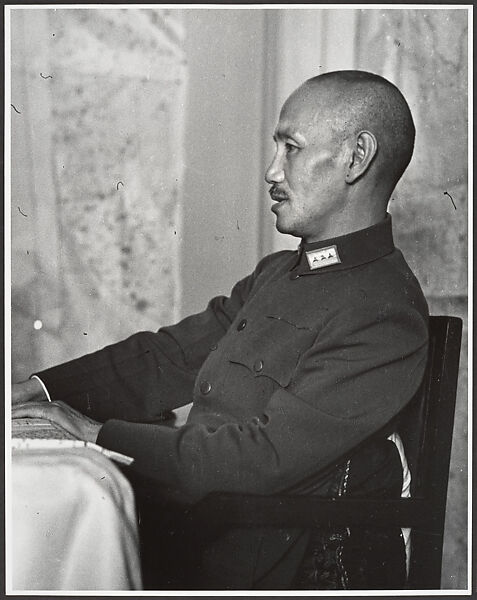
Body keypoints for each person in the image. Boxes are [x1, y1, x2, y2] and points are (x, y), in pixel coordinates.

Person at [12, 70, 429, 590]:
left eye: (291, 148)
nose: (272, 171)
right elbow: (169, 357)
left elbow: (259, 460)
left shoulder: (383, 310)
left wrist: (97, 435)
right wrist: (37, 391)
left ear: (356, 157)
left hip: (256, 567)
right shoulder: (277, 275)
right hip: (200, 532)